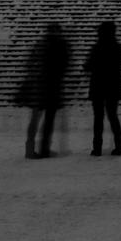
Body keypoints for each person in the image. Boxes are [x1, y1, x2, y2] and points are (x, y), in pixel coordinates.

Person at [19, 22, 70, 159]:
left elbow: (29, 63)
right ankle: (44, 148)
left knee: (35, 118)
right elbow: (63, 66)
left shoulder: (40, 44)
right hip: (51, 86)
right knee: (48, 119)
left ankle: (29, 149)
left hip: (37, 85)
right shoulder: (60, 45)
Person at [84, 21, 121, 157]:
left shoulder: (96, 48)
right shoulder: (117, 48)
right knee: (113, 116)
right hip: (112, 86)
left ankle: (97, 148)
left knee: (98, 118)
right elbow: (118, 69)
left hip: (98, 86)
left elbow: (89, 66)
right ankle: (119, 146)